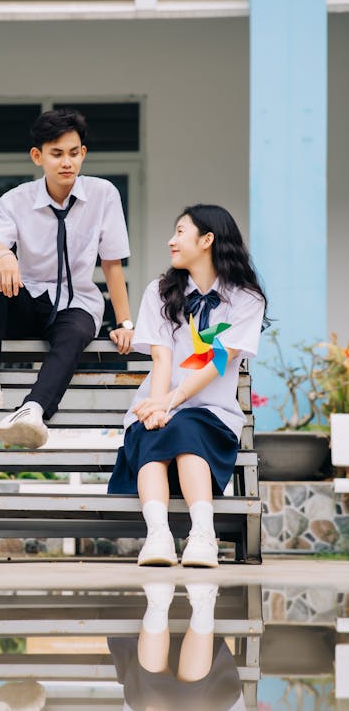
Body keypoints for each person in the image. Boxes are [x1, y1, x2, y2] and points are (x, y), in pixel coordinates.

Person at [0, 108, 134, 448]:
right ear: (38, 157)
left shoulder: (103, 195)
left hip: (76, 303)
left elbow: (112, 264)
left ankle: (32, 410)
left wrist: (124, 322)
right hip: (28, 302)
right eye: (57, 154)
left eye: (74, 153)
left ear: (83, 154)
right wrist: (6, 255)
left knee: (77, 332)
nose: (67, 162)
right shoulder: (14, 201)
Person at [108, 204, 267, 568]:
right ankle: (159, 535)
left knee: (188, 429)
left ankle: (202, 535)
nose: (171, 240)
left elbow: (219, 362)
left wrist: (170, 401)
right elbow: (161, 359)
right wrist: (158, 405)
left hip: (212, 413)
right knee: (151, 434)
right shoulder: (159, 291)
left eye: (181, 232)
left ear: (207, 240)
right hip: (161, 402)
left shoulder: (246, 300)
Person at [108, 582, 248, 711]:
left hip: (149, 669)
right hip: (209, 684)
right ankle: (203, 602)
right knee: (192, 703)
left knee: (154, 697)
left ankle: (159, 601)